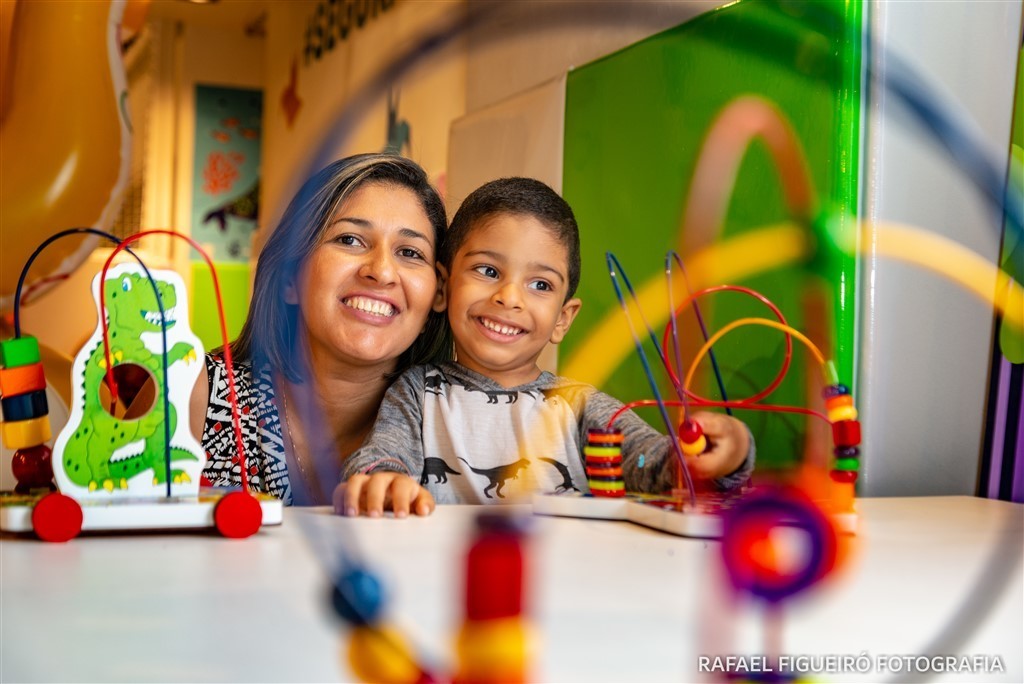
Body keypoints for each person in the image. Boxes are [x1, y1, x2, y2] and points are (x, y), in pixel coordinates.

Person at [335, 177, 754, 517]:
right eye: (487, 270)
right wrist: (382, 479)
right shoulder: (417, 393)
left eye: (540, 285)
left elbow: (655, 466)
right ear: (444, 288)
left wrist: (721, 454)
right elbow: (381, 457)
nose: (510, 297)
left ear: (562, 319)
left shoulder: (579, 405)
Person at [189, 153, 451, 505]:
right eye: (350, 240)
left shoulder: (456, 424)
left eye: (410, 252)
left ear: (437, 295)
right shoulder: (192, 396)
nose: (382, 271)